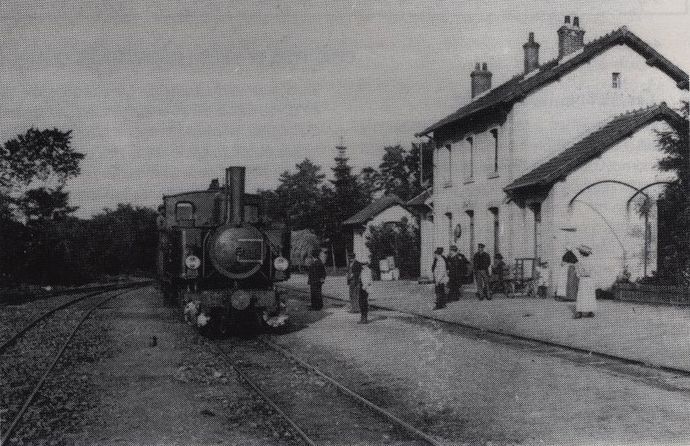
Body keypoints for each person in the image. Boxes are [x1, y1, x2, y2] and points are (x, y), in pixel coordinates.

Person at [574, 245, 595, 318]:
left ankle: (589, 311)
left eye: (581, 252)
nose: (580, 254)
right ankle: (580, 311)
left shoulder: (589, 261)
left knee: (588, 295)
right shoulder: (579, 261)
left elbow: (592, 271)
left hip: (587, 279)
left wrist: (580, 275)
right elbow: (577, 271)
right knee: (582, 295)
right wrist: (580, 276)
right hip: (585, 279)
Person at [358, 257, 373, 324]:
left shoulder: (368, 270)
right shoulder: (363, 270)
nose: (362, 265)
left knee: (364, 303)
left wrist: (364, 287)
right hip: (362, 287)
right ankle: (362, 317)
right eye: (362, 264)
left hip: (365, 288)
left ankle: (364, 318)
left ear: (367, 264)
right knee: (361, 303)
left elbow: (369, 280)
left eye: (364, 264)